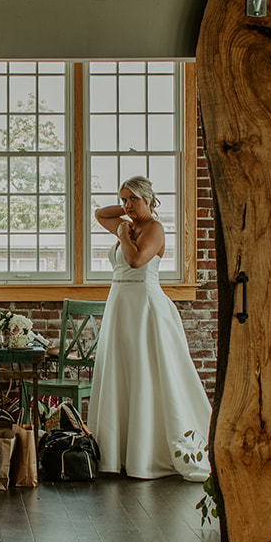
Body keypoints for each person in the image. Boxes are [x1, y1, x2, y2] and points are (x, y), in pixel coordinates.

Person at [86, 176, 212, 482]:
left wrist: (122, 231)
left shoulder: (153, 228)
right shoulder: (127, 221)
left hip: (144, 306)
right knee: (122, 372)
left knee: (147, 373)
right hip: (120, 305)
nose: (127, 205)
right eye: (124, 199)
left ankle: (147, 454)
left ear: (148, 199)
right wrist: (126, 211)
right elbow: (100, 214)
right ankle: (118, 454)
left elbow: (136, 260)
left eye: (133, 200)